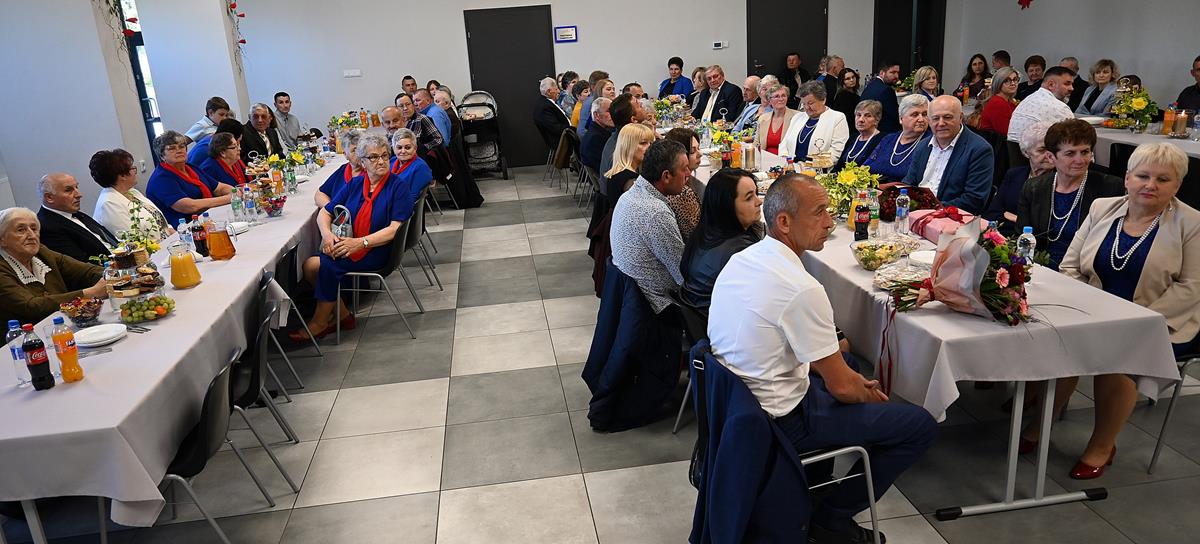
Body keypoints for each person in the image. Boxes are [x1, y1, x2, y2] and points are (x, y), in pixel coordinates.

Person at [707, 173, 937, 544]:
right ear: (784, 222)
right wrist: (868, 395)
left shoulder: (743, 259)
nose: (830, 222)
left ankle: (815, 484)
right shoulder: (802, 289)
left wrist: (851, 382)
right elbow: (843, 389)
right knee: (919, 425)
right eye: (819, 212)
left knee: (852, 368)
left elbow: (787, 344)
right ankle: (830, 518)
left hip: (737, 402)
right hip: (779, 420)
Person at [1028, 142, 1200, 480]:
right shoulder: (1102, 208)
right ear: (1127, 178)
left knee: (1120, 355)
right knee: (1062, 340)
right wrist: (1087, 308)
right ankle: (1040, 422)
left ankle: (1102, 444)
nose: (1150, 185)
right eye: (1143, 176)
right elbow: (1071, 266)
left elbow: (1192, 286)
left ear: (1177, 185)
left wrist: (1137, 321)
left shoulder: (1192, 222)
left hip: (1160, 319)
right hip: (1094, 308)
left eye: (1163, 179)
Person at [292, 131, 431, 341]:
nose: (381, 161)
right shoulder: (356, 184)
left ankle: (319, 323)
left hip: (379, 250)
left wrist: (360, 243)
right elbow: (325, 212)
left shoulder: (397, 186)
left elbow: (394, 229)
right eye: (373, 157)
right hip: (353, 244)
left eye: (384, 155)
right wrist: (327, 235)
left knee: (328, 264)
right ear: (363, 162)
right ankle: (342, 314)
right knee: (310, 266)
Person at [1017, 119, 1125, 269]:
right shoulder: (1034, 188)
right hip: (1039, 268)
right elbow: (1023, 239)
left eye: (1085, 152)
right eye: (1070, 153)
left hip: (1084, 271)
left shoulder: (1110, 188)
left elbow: (1111, 243)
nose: (1080, 160)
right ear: (1050, 157)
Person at [608, 139, 690, 315]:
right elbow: (684, 275)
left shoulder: (630, 195)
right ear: (666, 176)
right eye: (684, 169)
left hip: (631, 299)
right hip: (657, 306)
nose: (689, 174)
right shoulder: (655, 213)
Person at [0, 207, 107, 326]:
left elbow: (86, 271)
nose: (31, 235)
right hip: (25, 335)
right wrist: (91, 293)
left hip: (64, 325)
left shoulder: (42, 253)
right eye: (21, 230)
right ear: (2, 240)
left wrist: (112, 275)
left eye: (34, 229)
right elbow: (31, 306)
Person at [679, 167, 763, 311]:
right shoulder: (741, 253)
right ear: (727, 206)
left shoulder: (704, 234)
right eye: (749, 197)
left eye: (756, 193)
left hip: (701, 315)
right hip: (720, 318)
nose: (759, 201)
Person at [903, 96, 994, 214]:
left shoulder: (979, 150)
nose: (941, 123)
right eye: (935, 118)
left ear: (960, 118)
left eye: (947, 117)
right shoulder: (923, 146)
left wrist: (929, 209)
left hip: (950, 218)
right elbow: (909, 182)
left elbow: (974, 200)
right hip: (915, 212)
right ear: (929, 121)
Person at [146, 130, 235, 226]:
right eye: (172, 148)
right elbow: (189, 206)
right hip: (184, 227)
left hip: (207, 219)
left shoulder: (190, 168)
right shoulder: (161, 178)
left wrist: (234, 192)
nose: (179, 151)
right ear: (162, 155)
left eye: (182, 146)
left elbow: (219, 188)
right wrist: (229, 198)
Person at [983, 121, 1054, 235]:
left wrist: (1014, 218)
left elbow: (1046, 228)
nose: (1048, 155)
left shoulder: (1059, 181)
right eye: (1041, 150)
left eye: (1052, 149)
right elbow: (991, 214)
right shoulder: (1015, 174)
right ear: (1026, 152)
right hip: (1004, 236)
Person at [36, 173, 117, 264]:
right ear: (49, 197)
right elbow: (81, 265)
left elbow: (109, 240)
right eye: (68, 190)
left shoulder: (74, 213)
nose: (79, 194)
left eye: (76, 187)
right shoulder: (47, 227)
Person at [90, 148, 171, 238]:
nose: (135, 172)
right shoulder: (108, 204)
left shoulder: (131, 192)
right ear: (122, 176)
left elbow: (158, 219)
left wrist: (171, 231)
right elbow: (134, 239)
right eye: (132, 168)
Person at [862, 95, 929, 182]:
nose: (921, 119)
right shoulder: (888, 139)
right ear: (901, 119)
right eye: (915, 114)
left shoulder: (929, 143)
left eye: (924, 114)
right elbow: (865, 167)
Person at [780, 81, 849, 162]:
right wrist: (784, 159)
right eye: (803, 104)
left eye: (810, 103)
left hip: (818, 168)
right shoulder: (797, 117)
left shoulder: (837, 118)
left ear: (823, 100)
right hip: (791, 166)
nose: (806, 107)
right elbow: (784, 143)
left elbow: (836, 151)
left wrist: (811, 165)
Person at [1007, 65, 1076, 143]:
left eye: (1071, 84)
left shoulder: (1028, 100)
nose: (1072, 88)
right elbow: (1075, 140)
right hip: (1037, 150)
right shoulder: (1060, 108)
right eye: (1067, 84)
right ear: (1051, 85)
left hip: (1016, 149)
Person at [662, 128, 705, 240]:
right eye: (693, 151)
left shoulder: (685, 183)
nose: (700, 154)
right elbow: (696, 233)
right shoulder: (680, 192)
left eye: (699, 148)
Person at [317, 129, 366, 207]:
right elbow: (320, 194)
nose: (359, 153)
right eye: (354, 150)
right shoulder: (343, 170)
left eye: (362, 149)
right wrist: (332, 209)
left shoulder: (371, 173)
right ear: (345, 154)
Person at [600, 94, 639, 190]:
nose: (643, 106)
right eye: (639, 106)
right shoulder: (624, 148)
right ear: (633, 120)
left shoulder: (616, 137)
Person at [836, 100, 884, 171]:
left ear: (877, 120)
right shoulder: (853, 137)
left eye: (868, 116)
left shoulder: (883, 139)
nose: (861, 120)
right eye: (858, 115)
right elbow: (839, 166)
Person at [755, 84, 798, 156]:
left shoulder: (796, 117)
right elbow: (756, 143)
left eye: (783, 96)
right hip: (764, 158)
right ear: (769, 101)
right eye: (777, 96)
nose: (781, 99)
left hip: (785, 159)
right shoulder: (763, 118)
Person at [861, 59, 902, 133]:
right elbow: (894, 116)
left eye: (897, 73)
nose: (896, 76)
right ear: (882, 73)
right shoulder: (886, 90)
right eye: (893, 72)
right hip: (885, 132)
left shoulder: (870, 86)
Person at [979, 67, 1020, 136]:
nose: (1013, 83)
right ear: (999, 83)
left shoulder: (1008, 101)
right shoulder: (998, 103)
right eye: (1007, 80)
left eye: (1015, 79)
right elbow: (1006, 134)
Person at [534, 77, 571, 151]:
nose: (559, 91)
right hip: (561, 145)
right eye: (556, 89)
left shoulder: (547, 103)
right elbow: (556, 128)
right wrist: (573, 129)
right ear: (549, 91)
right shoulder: (544, 107)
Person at [580, 97, 614, 173]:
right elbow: (607, 167)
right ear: (596, 115)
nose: (613, 114)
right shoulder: (595, 138)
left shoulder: (596, 131)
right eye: (609, 111)